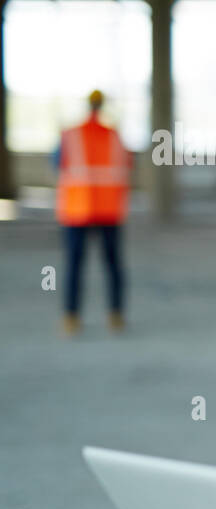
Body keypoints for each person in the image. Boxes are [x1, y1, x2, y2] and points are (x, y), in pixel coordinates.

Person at [53, 89, 133, 335]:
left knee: (75, 265)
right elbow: (128, 165)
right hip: (109, 211)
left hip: (77, 212)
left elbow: (56, 163)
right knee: (113, 265)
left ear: (87, 106)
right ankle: (116, 315)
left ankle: (71, 317)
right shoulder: (115, 136)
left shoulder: (71, 135)